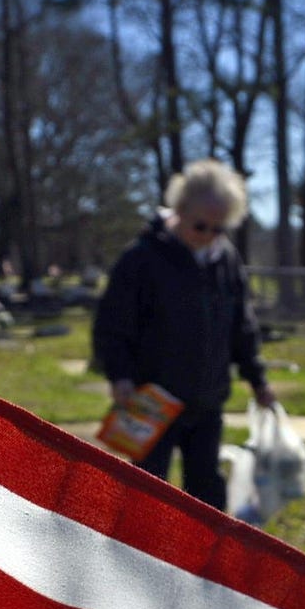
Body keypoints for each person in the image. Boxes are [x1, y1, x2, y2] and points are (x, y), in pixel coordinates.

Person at [91, 160, 278, 507]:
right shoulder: (142, 258)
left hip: (207, 400)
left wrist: (258, 380)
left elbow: (242, 325)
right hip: (153, 398)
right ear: (179, 210)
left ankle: (201, 560)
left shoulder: (227, 261)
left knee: (206, 489)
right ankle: (140, 555)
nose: (208, 235)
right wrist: (119, 375)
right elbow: (112, 324)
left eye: (219, 228)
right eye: (201, 225)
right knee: (146, 490)